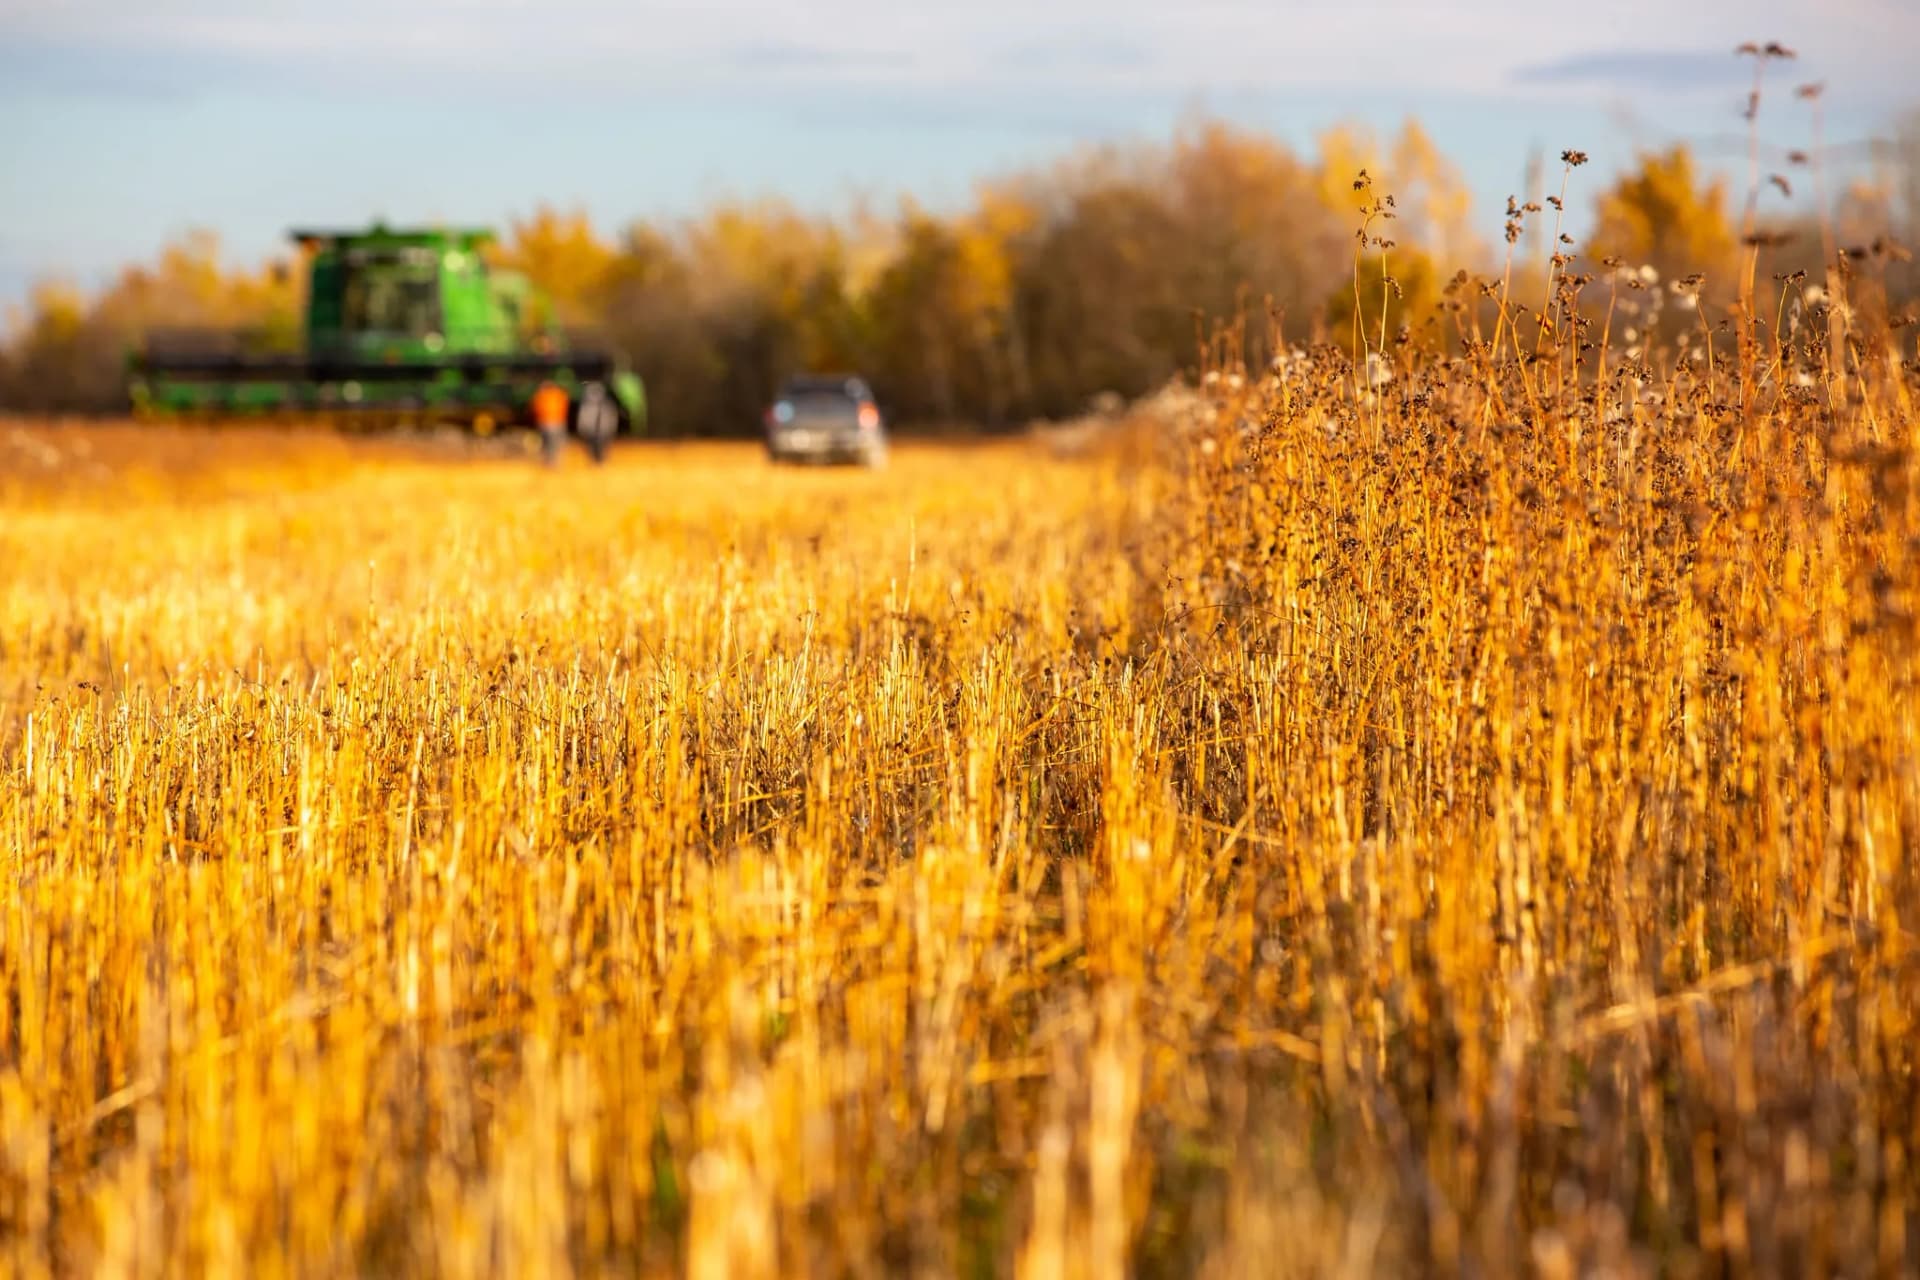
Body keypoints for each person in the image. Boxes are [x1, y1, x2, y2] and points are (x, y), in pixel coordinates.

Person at [575, 381, 618, 465]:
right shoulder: (586, 405)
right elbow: (583, 417)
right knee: (591, 448)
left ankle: (601, 462)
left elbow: (611, 417)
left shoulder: (607, 405)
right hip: (590, 430)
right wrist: (582, 428)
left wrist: (611, 428)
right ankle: (594, 461)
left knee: (602, 447)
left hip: (603, 431)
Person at [531, 380, 569, 467]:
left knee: (552, 444)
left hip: (552, 423)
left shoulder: (546, 396)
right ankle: (551, 462)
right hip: (552, 423)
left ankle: (552, 462)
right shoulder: (557, 395)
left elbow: (535, 409)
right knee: (551, 444)